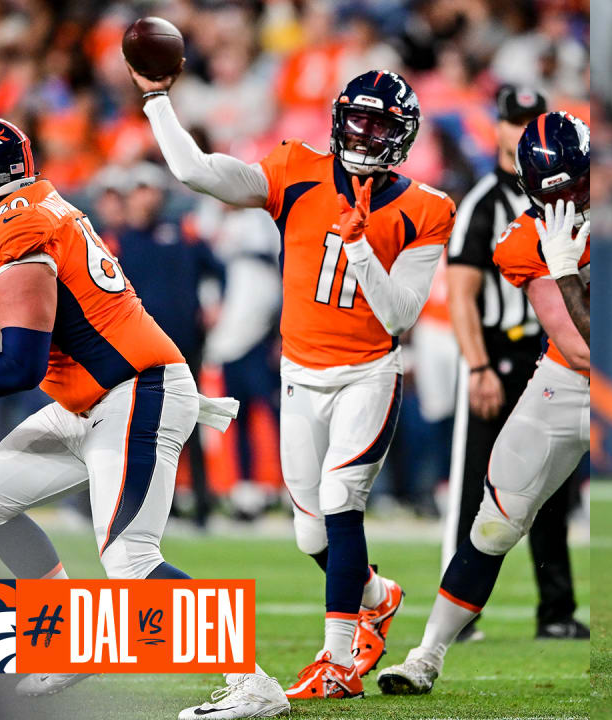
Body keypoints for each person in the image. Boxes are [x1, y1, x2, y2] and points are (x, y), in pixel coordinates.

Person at [133, 62, 453, 704]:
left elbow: (399, 315)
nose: (363, 135)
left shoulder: (426, 209)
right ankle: (375, 596)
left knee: (340, 501)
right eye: (356, 120)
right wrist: (156, 100)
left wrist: (361, 248)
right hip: (300, 373)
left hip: (368, 372)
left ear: (402, 135)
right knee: (310, 533)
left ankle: (339, 660)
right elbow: (197, 171)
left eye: (378, 125)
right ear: (338, 120)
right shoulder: (295, 168)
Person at [0, 117, 277, 712]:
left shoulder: (17, 225)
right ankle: (69, 643)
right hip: (93, 398)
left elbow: (16, 370)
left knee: (130, 559)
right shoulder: (35, 206)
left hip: (133, 392)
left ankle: (253, 683)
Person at [377, 111, 590, 695]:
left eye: (576, 185)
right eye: (555, 192)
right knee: (495, 524)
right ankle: (426, 656)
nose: (569, 201)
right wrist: (566, 272)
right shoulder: (526, 238)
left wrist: (570, 270)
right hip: (568, 382)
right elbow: (580, 344)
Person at [443, 85, 586, 643]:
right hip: (499, 354)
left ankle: (555, 610)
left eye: (531, 118)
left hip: (552, 351)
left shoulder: (578, 195)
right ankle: (463, 613)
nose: (519, 127)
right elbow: (461, 294)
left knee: (551, 489)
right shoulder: (483, 203)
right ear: (498, 128)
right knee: (481, 484)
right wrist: (477, 366)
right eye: (513, 119)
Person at [112, 162, 224, 527]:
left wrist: (214, 304)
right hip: (136, 349)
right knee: (141, 429)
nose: (145, 198)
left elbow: (218, 271)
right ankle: (156, 507)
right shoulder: (115, 241)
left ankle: (202, 508)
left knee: (188, 423)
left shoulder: (183, 232)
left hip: (183, 346)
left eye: (150, 189)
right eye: (139, 190)